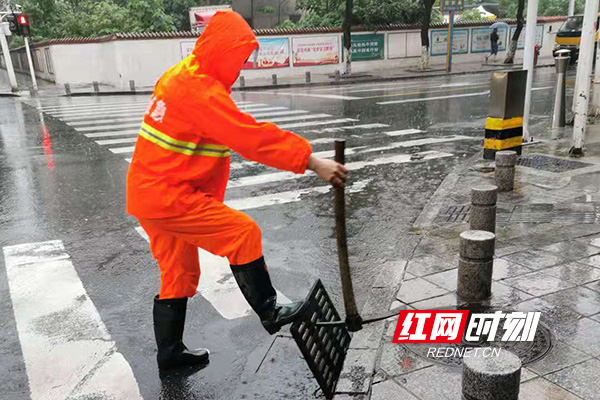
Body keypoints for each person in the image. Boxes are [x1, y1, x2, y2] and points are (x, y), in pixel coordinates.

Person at [126, 10, 348, 370]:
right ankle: (270, 309)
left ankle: (169, 353)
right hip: (169, 196)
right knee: (242, 234)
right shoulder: (199, 91)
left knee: (179, 274)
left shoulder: (181, 76)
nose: (241, 66)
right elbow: (251, 137)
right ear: (222, 50)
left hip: (149, 192)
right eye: (239, 57)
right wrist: (311, 160)